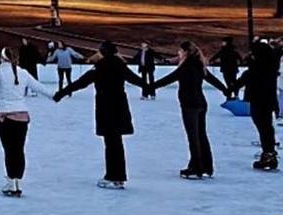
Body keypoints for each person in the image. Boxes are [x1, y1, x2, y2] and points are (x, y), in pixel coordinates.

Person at [53, 41, 145, 189]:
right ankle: (119, 177)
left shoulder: (100, 66)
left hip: (106, 108)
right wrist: (152, 86)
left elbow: (81, 82)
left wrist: (61, 93)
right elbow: (136, 80)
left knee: (110, 144)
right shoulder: (120, 65)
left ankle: (113, 176)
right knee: (117, 143)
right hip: (120, 107)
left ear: (103, 52)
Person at [0, 48, 55, 196]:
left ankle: (11, 183)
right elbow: (39, 87)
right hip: (22, 117)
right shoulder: (23, 73)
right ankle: (18, 182)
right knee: (19, 150)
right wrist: (55, 95)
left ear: (2, 58)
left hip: (6, 117)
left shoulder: (0, 72)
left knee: (9, 151)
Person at [152, 41, 230, 179]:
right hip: (201, 103)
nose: (178, 53)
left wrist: (149, 87)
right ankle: (207, 166)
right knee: (201, 135)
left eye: (180, 51)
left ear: (185, 52)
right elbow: (212, 79)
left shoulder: (186, 66)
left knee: (193, 137)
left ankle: (196, 167)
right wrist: (226, 90)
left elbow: (169, 79)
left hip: (189, 104)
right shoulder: (199, 64)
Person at [234, 40, 280, 170]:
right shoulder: (271, 68)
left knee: (263, 128)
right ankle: (270, 154)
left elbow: (242, 80)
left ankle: (268, 155)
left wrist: (230, 89)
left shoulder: (255, 70)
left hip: (258, 101)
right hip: (269, 101)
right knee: (267, 128)